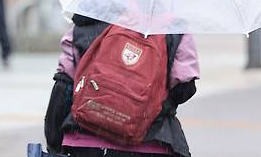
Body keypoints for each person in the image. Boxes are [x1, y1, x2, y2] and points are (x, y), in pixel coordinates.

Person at [44, 15, 200, 157]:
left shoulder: (90, 17)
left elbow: (64, 86)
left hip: (86, 141)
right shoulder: (174, 27)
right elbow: (183, 89)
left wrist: (55, 145)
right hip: (152, 143)